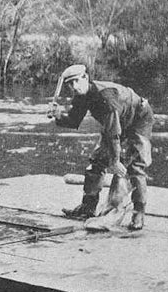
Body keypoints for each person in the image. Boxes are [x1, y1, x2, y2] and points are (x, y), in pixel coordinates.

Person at [49, 64, 154, 230]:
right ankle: (88, 207)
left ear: (86, 78)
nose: (74, 87)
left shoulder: (106, 97)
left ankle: (138, 213)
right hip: (116, 123)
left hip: (139, 119)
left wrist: (115, 160)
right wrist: (58, 116)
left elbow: (114, 133)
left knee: (135, 166)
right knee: (97, 161)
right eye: (70, 84)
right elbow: (74, 121)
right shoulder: (81, 95)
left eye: (77, 81)